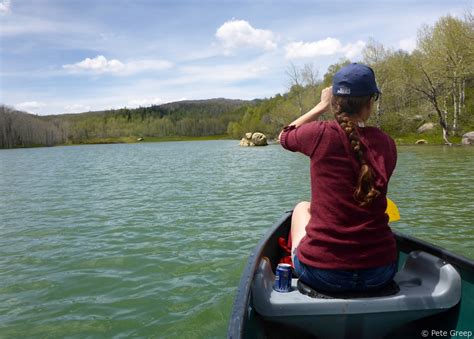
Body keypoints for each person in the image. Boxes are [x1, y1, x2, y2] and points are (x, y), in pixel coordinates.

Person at [279, 63, 398, 292]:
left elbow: (285, 136)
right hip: (381, 272)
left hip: (321, 273)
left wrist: (320, 107)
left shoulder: (319, 133)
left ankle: (298, 264)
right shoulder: (387, 143)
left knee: (303, 207)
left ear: (335, 101)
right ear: (369, 104)